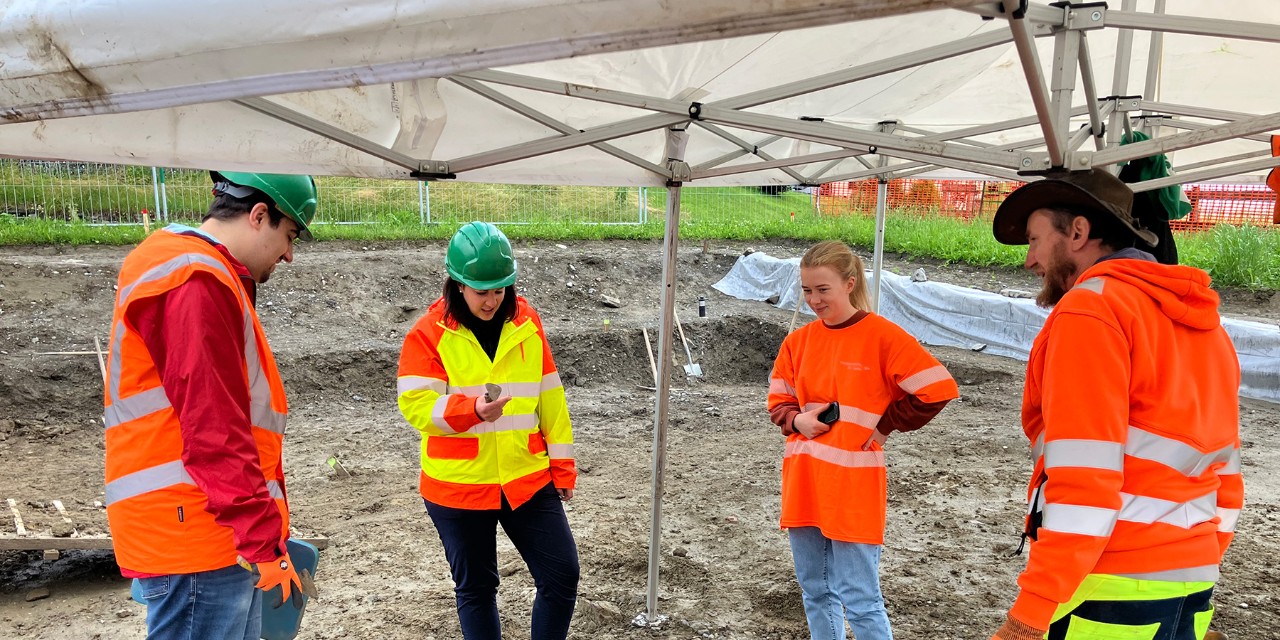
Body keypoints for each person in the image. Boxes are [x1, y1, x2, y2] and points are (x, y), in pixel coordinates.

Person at [988, 168, 1243, 640]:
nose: (1030, 260)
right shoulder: (1208, 327)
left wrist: (1031, 612)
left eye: (1035, 240)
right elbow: (1226, 474)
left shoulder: (1092, 311)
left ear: (1079, 232)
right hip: (1193, 577)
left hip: (1110, 585)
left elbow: (1084, 477)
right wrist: (1192, 559)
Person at [103, 171, 319, 639]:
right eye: (289, 235)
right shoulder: (193, 279)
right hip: (197, 532)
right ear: (259, 215)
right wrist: (262, 540)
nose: (288, 253)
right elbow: (214, 428)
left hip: (210, 529)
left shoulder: (202, 274)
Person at [766, 240, 959, 640]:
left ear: (850, 284)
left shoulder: (882, 337)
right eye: (806, 290)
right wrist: (797, 420)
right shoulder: (798, 341)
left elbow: (938, 388)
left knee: (860, 598)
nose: (814, 300)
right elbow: (779, 401)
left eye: (823, 290)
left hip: (852, 485)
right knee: (815, 591)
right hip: (804, 481)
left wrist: (885, 427)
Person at [397, 221, 579, 640]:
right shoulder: (428, 335)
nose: (492, 300)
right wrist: (471, 410)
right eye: (482, 291)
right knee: (477, 589)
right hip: (458, 487)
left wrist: (562, 463)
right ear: (458, 284)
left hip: (526, 479)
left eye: (500, 289)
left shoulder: (527, 321)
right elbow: (416, 405)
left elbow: (550, 396)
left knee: (562, 574)